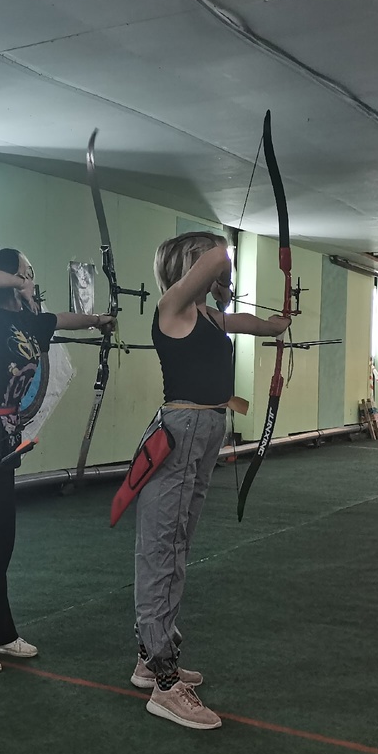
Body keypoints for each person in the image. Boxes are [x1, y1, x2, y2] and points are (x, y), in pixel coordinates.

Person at [132, 232, 289, 727]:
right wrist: (221, 264)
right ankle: (164, 683)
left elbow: (250, 323)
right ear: (190, 264)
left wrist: (275, 324)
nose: (221, 266)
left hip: (203, 432)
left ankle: (150, 657)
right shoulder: (172, 308)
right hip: (181, 431)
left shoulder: (204, 316)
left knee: (177, 541)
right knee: (162, 546)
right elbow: (220, 255)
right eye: (208, 262)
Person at [0, 248, 114, 674]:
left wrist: (99, 320)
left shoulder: (27, 322)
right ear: (8, 277)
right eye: (25, 271)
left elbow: (62, 320)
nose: (31, 276)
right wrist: (22, 283)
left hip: (3, 442)